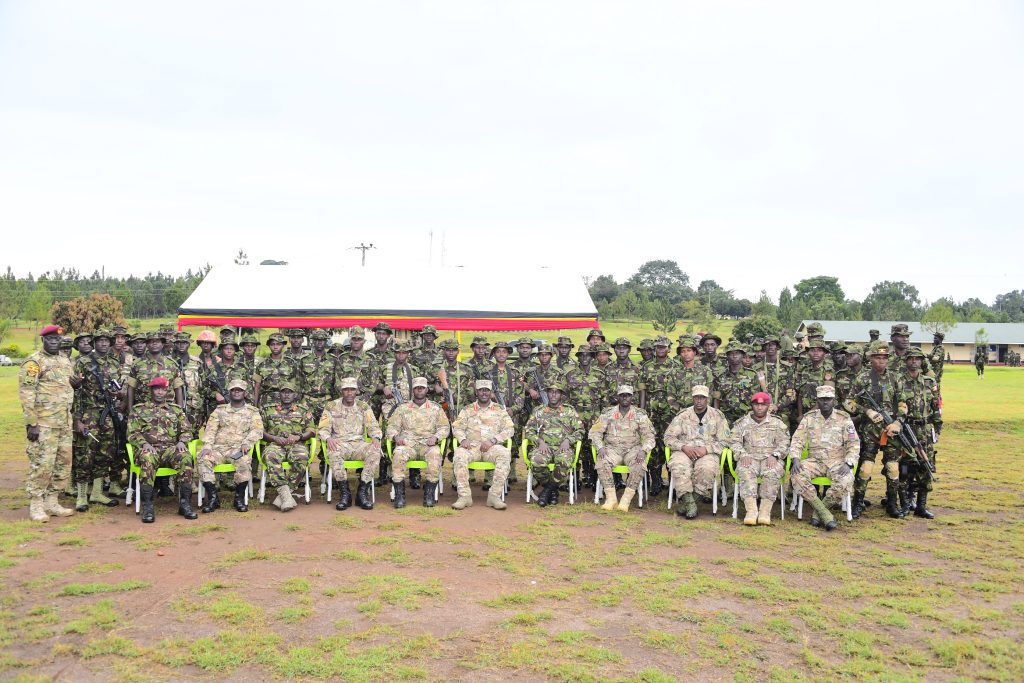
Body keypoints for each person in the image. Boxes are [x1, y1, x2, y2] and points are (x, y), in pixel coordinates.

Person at [19, 325, 76, 522]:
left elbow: (66, 386)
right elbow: (27, 393)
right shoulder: (34, 362)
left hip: (64, 422)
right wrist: (31, 423)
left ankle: (52, 501)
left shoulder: (64, 360)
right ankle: (36, 504)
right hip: (44, 424)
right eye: (50, 339)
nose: (54, 342)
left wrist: (75, 384)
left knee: (63, 463)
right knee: (42, 464)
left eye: (57, 339)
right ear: (43, 340)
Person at [845, 342, 905, 518]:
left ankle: (892, 504)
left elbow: (903, 404)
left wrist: (898, 423)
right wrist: (866, 411)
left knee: (893, 467)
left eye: (884, 358)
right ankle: (858, 503)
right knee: (865, 468)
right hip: (869, 430)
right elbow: (848, 402)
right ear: (871, 359)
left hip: (890, 430)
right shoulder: (862, 378)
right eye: (877, 357)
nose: (881, 361)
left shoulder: (895, 378)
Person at [790, 386, 859, 531]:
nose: (825, 402)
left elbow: (853, 443)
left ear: (833, 400)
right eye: (822, 399)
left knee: (845, 480)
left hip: (837, 461)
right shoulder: (809, 418)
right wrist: (795, 458)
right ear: (817, 401)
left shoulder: (844, 418)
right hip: (815, 461)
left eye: (828, 399)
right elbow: (797, 440)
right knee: (796, 474)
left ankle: (818, 513)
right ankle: (823, 512)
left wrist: (849, 462)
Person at [127, 377, 196, 523]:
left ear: (167, 391)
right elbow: (132, 433)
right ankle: (148, 506)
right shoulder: (139, 410)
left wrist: (182, 441)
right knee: (147, 458)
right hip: (149, 448)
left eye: (163, 389)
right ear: (151, 390)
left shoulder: (175, 410)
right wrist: (144, 444)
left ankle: (185, 504)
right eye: (157, 389)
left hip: (170, 449)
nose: (160, 392)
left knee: (185, 457)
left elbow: (187, 430)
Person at [69, 329, 121, 510]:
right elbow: (74, 393)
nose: (104, 344)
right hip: (88, 414)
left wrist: (118, 394)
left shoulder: (114, 363)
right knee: (85, 454)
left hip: (107, 414)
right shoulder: (83, 362)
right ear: (94, 343)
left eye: (107, 341)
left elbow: (118, 388)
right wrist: (77, 420)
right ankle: (82, 496)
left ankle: (97, 492)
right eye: (100, 341)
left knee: (105, 453)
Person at [197, 379, 264, 514]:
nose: (236, 392)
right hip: (218, 449)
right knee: (203, 458)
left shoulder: (252, 412)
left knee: (244, 461)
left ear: (245, 393)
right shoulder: (219, 410)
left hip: (238, 449)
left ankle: (238, 499)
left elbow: (257, 430)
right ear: (229, 393)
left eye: (239, 390)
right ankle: (213, 498)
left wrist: (247, 442)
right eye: (233, 390)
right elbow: (210, 429)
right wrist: (208, 446)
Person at [664, 385, 730, 519]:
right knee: (678, 466)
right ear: (692, 398)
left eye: (702, 398)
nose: (699, 401)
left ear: (707, 399)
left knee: (707, 469)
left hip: (707, 452)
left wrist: (707, 449)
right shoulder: (683, 416)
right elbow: (668, 437)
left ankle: (689, 503)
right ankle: (689, 502)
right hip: (685, 450)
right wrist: (683, 447)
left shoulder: (717, 416)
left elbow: (726, 440)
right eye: (696, 397)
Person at [318, 377, 383, 511]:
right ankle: (345, 494)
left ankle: (362, 492)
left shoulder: (363, 407)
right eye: (346, 390)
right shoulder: (331, 406)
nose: (349, 393)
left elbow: (374, 427)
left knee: (375, 450)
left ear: (357, 391)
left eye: (352, 390)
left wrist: (376, 437)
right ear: (341, 391)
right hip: (339, 443)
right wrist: (328, 438)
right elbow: (323, 429)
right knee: (334, 452)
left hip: (358, 444)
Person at [589, 385, 656, 512]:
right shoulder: (608, 414)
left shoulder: (639, 415)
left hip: (633, 449)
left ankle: (625, 500)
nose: (625, 397)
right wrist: (600, 447)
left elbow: (650, 436)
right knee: (602, 461)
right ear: (618, 397)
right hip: (612, 449)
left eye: (628, 395)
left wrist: (644, 450)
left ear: (632, 397)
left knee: (639, 464)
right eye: (622, 395)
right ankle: (611, 499)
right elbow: (594, 433)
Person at [451, 380, 515, 511]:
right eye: (481, 390)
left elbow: (510, 429)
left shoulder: (499, 410)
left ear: (491, 393)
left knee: (504, 454)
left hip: (491, 447)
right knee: (459, 454)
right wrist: (463, 439)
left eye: (487, 390)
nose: (484, 393)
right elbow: (456, 427)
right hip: (471, 447)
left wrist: (493, 440)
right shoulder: (468, 410)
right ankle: (464, 497)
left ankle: (494, 496)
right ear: (476, 392)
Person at [387, 377, 450, 508]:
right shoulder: (402, 408)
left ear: (427, 389)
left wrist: (436, 438)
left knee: (435, 454)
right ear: (413, 390)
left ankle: (429, 494)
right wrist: (395, 437)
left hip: (428, 444)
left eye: (422, 387)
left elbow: (445, 427)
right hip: (407, 444)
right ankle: (399, 494)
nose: (419, 390)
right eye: (417, 388)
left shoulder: (435, 408)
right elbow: (391, 427)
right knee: (398, 453)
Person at [730, 391, 790, 525]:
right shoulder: (742, 423)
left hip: (771, 458)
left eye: (763, 405)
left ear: (768, 406)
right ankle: (751, 510)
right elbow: (734, 441)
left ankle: (764, 511)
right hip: (749, 457)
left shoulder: (777, 423)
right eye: (756, 404)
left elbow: (785, 442)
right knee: (745, 471)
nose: (759, 408)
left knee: (772, 472)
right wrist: (742, 454)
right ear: (752, 406)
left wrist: (776, 455)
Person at [895, 348, 941, 518]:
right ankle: (906, 505)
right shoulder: (899, 381)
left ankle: (921, 506)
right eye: (911, 359)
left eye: (917, 359)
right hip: (906, 429)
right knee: (905, 469)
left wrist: (937, 427)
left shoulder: (929, 382)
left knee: (926, 467)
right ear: (906, 361)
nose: (914, 361)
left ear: (922, 361)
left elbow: (935, 407)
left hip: (925, 430)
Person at [523, 379, 583, 507]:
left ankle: (547, 491)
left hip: (563, 447)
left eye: (557, 392)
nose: (554, 395)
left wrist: (568, 440)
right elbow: (528, 430)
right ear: (547, 394)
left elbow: (580, 430)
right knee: (536, 462)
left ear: (561, 395)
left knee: (564, 462)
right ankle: (553, 490)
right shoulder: (539, 411)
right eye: (551, 392)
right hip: (544, 447)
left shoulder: (569, 411)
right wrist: (539, 441)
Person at [260, 380, 315, 512]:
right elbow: (258, 430)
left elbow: (312, 430)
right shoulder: (267, 410)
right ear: (279, 394)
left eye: (289, 392)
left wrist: (299, 437)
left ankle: (284, 496)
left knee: (301, 457)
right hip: (275, 444)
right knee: (271, 456)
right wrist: (274, 438)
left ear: (295, 394)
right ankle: (286, 496)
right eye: (283, 392)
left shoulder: (303, 410)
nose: (286, 395)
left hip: (296, 444)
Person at [637, 336, 680, 496]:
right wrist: (642, 411)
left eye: (663, 347)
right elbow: (642, 390)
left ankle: (672, 481)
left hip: (671, 412)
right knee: (652, 445)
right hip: (652, 411)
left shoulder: (676, 367)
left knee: (671, 444)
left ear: (669, 348)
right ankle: (655, 480)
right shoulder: (646, 367)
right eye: (658, 347)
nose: (660, 350)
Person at [713, 342, 759, 426]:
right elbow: (717, 399)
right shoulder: (720, 376)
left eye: (737, 353)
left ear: (742, 355)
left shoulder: (752, 375)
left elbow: (756, 398)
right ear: (727, 356)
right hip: (726, 418)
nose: (734, 356)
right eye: (731, 354)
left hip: (746, 417)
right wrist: (717, 416)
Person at [253, 333, 303, 408]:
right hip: (266, 402)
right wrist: (255, 406)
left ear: (283, 345)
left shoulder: (291, 363)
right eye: (272, 344)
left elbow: (295, 386)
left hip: (285, 402)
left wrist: (296, 404)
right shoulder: (261, 364)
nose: (275, 347)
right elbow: (257, 387)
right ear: (269, 345)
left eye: (278, 344)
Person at [299, 330, 336, 425]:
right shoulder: (304, 360)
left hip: (327, 401)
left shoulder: (333, 360)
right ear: (312, 341)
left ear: (326, 341)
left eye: (322, 340)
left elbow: (337, 382)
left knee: (328, 429)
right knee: (304, 428)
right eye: (317, 340)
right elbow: (298, 382)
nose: (319, 342)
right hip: (307, 401)